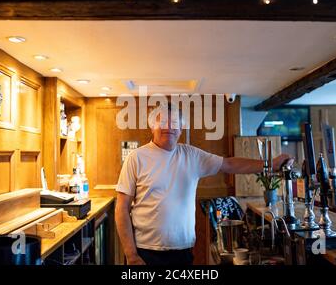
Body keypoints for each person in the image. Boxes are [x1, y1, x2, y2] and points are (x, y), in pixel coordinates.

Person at [115, 106, 293, 265]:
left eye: (175, 123)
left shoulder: (191, 155)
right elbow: (122, 208)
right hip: (145, 252)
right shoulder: (136, 158)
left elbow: (229, 164)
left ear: (181, 129)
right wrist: (131, 254)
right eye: (163, 122)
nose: (169, 127)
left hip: (182, 251)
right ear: (152, 126)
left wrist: (270, 164)